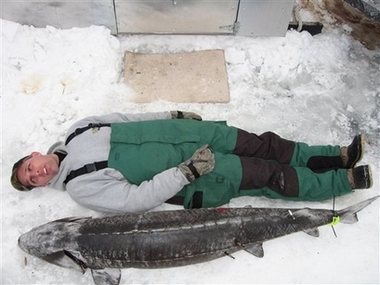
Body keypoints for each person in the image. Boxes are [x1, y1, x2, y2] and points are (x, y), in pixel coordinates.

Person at [10, 111, 373, 214]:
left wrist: (172, 114)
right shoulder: (80, 188)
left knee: (265, 145)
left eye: (30, 168)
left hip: (189, 134)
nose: (37, 174)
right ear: (41, 187)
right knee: (269, 176)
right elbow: (137, 200)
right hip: (199, 176)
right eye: (33, 182)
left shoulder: (78, 130)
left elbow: (128, 118)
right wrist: (186, 172)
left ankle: (333, 156)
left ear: (35, 154)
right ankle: (343, 183)